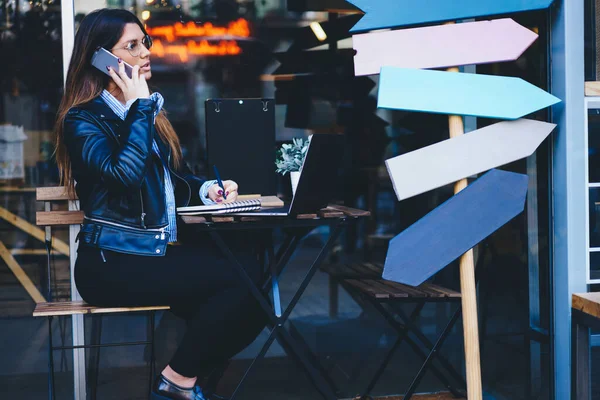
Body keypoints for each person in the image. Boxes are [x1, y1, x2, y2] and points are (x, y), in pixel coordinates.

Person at [54, 8, 266, 400]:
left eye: (144, 42)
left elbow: (165, 182)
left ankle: (184, 384)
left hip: (151, 254)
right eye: (131, 46)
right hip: (111, 264)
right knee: (242, 283)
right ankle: (177, 383)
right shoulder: (82, 120)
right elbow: (124, 176)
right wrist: (141, 108)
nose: (145, 52)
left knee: (252, 284)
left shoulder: (144, 112)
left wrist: (206, 191)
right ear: (102, 59)